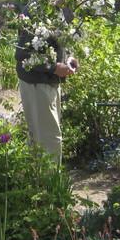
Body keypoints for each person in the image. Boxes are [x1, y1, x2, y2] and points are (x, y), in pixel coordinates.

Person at [14, 10, 78, 166]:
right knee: (49, 138)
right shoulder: (37, 11)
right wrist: (54, 67)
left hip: (51, 82)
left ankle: (40, 175)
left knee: (43, 136)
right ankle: (50, 179)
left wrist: (69, 58)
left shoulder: (61, 10)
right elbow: (23, 54)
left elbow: (60, 42)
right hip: (37, 83)